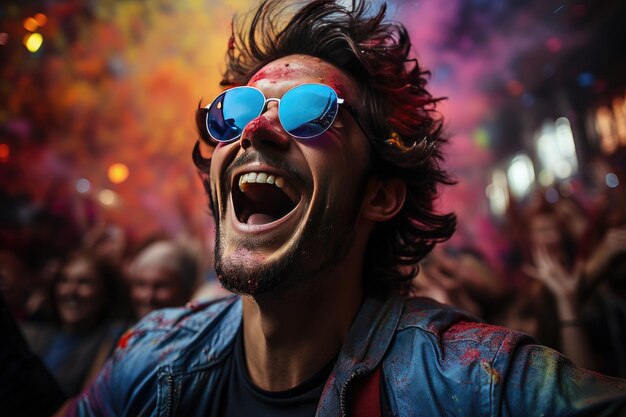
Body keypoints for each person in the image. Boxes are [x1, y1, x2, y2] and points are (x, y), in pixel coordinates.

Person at [69, 1, 626, 416]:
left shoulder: (478, 384)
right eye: (234, 111)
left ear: (380, 194)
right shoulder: (149, 361)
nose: (256, 129)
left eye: (311, 111)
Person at [21, 251, 130, 397]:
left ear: (106, 292)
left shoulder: (116, 341)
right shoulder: (34, 336)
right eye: (64, 281)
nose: (71, 291)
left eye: (84, 282)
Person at [127, 239, 199, 319]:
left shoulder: (203, 330)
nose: (148, 297)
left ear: (185, 290)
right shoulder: (122, 330)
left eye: (160, 286)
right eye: (141, 284)